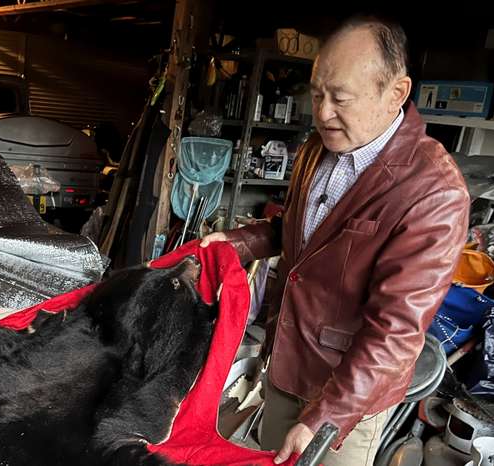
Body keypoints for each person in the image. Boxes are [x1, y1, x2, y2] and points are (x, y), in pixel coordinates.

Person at [201, 17, 469, 466]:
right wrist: (235, 243)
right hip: (286, 362)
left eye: (340, 98)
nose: (322, 112)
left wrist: (325, 415)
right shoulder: (317, 148)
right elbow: (301, 233)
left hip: (345, 398)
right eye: (317, 94)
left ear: (396, 94)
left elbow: (397, 330)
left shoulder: (433, 191)